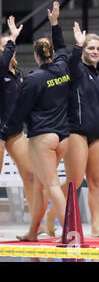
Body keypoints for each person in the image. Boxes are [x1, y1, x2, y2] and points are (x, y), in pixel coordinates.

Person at [45, 22, 99, 238]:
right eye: (91, 48)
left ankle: (96, 226)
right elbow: (69, 62)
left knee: (97, 182)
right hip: (76, 131)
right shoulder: (76, 72)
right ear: (83, 51)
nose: (95, 52)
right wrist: (78, 45)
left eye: (98, 48)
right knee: (75, 182)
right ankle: (51, 213)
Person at [1, 2, 72, 241]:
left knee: (42, 182)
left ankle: (56, 231)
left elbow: (20, 110)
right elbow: (62, 48)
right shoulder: (61, 68)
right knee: (45, 184)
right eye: (3, 49)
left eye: (8, 48)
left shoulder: (28, 78)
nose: (7, 52)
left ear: (35, 54)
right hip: (56, 135)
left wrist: (8, 130)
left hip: (29, 133)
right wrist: (54, 25)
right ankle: (39, 230)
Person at [0, 16, 38, 227]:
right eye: (5, 45)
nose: (10, 48)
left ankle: (35, 221)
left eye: (11, 45)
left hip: (14, 131)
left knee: (30, 175)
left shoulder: (17, 73)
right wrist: (13, 37)